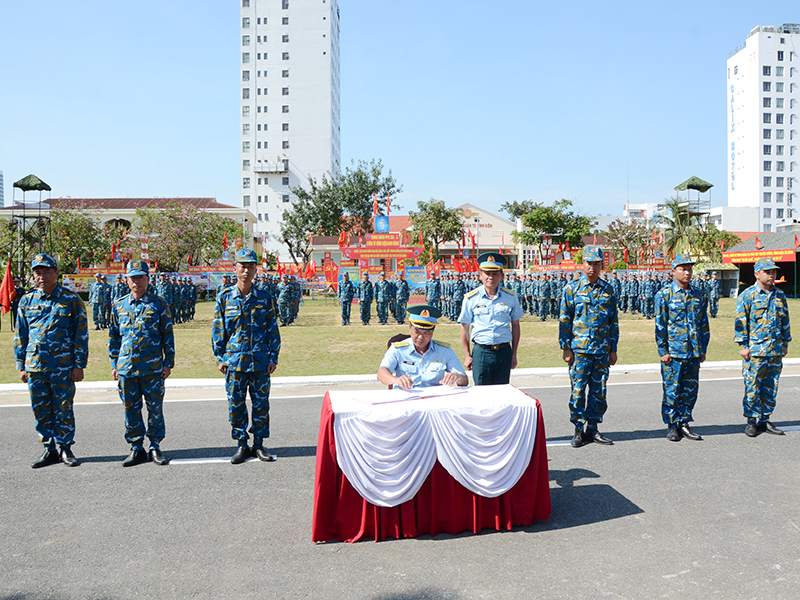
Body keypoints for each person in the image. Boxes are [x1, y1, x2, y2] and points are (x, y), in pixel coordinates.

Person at [14, 253, 89, 468]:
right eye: (38, 273)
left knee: (64, 407)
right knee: (40, 409)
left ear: (56, 273)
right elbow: (21, 335)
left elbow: (80, 335)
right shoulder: (27, 301)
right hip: (35, 366)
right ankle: (49, 449)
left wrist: (79, 365)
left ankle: (65, 448)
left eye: (47, 272)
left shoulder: (71, 300)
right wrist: (21, 365)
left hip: (63, 367)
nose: (42, 276)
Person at [212, 249, 281, 464]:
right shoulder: (224, 298)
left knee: (261, 405)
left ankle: (259, 444)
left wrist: (273, 356)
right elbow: (218, 331)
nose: (246, 270)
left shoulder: (264, 297)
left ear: (255, 270)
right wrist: (220, 358)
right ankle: (242, 444)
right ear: (235, 269)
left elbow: (272, 329)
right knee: (236, 405)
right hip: (234, 363)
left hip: (260, 362)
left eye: (251, 266)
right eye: (242, 266)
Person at [108, 260, 175, 466]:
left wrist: (168, 363)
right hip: (127, 368)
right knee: (131, 409)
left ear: (148, 279)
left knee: (155, 409)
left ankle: (155, 446)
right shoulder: (119, 305)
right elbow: (114, 337)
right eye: (132, 277)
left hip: (153, 368)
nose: (136, 281)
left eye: (140, 277)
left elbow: (167, 336)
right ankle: (136, 447)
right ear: (127, 280)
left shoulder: (159, 304)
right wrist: (114, 363)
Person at [559, 247, 619, 448]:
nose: (592, 267)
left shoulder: (608, 289)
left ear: (601, 265)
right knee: (577, 392)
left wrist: (613, 348)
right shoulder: (572, 289)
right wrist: (566, 347)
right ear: (583, 263)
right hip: (579, 351)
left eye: (596, 264)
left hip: (601, 351)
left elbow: (613, 322)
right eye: (589, 263)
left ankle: (592, 429)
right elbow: (565, 320)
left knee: (598, 392)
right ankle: (578, 429)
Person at [654, 254, 710, 442]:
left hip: (693, 352)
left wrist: (703, 348)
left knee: (690, 390)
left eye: (689, 269)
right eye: (683, 269)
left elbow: (704, 324)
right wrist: (663, 350)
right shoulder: (664, 295)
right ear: (673, 271)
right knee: (672, 390)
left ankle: (685, 422)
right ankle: (672, 425)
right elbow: (660, 325)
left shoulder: (698, 295)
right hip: (673, 353)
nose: (687, 272)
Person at [734, 258, 791, 437]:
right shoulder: (747, 295)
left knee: (771, 386)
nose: (772, 275)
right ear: (757, 274)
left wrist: (785, 342)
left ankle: (764, 420)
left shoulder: (779, 295)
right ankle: (751, 421)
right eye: (768, 272)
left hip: (774, 350)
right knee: (752, 386)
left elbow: (784, 320)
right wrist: (743, 345)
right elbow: (741, 322)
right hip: (755, 351)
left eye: (773, 272)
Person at [458, 252, 523, 385]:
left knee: (502, 394)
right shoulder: (471, 298)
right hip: (481, 352)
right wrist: (467, 355)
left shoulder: (510, 297)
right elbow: (464, 327)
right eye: (487, 273)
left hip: (504, 352)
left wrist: (514, 354)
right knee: (482, 394)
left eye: (495, 274)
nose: (491, 277)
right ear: (480, 275)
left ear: (502, 276)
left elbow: (515, 325)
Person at [378, 305, 468, 389]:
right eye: (417, 332)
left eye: (426, 333)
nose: (421, 337)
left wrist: (457, 377)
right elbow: (382, 373)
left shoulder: (444, 351)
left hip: (434, 400)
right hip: (406, 398)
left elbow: (464, 380)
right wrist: (396, 380)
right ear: (410, 327)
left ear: (433, 331)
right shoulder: (398, 349)